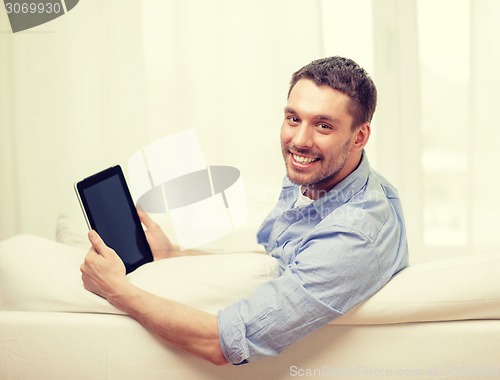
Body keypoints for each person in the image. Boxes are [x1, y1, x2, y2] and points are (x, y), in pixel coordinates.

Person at [80, 56, 409, 366]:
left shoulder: (352, 237)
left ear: (360, 136)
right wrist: (173, 254)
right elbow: (280, 257)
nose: (300, 140)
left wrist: (114, 289)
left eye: (323, 126)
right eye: (293, 119)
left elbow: (222, 343)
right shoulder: (327, 175)